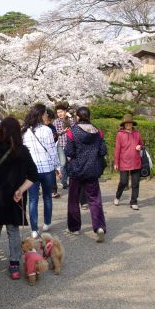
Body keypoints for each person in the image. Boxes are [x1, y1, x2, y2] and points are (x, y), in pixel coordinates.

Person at [0, 117, 39, 280]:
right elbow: (33, 175)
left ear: (1, 130)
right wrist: (20, 190)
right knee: (13, 230)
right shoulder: (23, 151)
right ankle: (14, 265)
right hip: (16, 197)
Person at [64, 106, 107, 242]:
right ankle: (99, 227)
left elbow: (69, 152)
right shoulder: (98, 132)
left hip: (76, 170)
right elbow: (102, 151)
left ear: (78, 117)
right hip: (92, 170)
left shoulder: (72, 132)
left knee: (73, 199)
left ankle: (74, 228)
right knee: (94, 199)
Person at [22, 103, 61, 239]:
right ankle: (46, 223)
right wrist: (57, 167)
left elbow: (23, 153)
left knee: (32, 199)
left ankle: (34, 229)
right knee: (47, 197)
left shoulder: (24, 131)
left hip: (31, 171)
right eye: (45, 113)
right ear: (40, 115)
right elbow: (52, 150)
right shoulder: (47, 130)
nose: (46, 115)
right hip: (47, 168)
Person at [114, 114, 145, 210]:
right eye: (126, 123)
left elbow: (142, 144)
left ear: (132, 124)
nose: (128, 125)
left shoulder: (137, 133)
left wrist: (140, 147)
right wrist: (116, 162)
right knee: (123, 182)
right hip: (124, 161)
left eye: (130, 123)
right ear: (124, 124)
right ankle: (118, 196)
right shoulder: (120, 134)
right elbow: (117, 149)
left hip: (136, 161)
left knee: (135, 183)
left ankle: (134, 201)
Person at [44, 108, 61, 199]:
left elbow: (55, 138)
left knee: (52, 172)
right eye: (47, 119)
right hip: (40, 154)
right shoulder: (36, 128)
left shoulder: (51, 127)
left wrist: (55, 137)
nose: (48, 121)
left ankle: (53, 190)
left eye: (50, 119)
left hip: (50, 152)